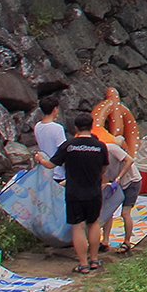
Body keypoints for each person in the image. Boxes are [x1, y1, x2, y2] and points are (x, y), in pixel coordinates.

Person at [57, 110, 112, 274]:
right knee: (93, 224)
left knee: (78, 227)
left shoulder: (68, 146)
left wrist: (40, 159)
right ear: (92, 127)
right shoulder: (100, 146)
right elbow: (104, 169)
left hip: (74, 192)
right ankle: (94, 260)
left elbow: (52, 164)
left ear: (76, 128)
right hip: (94, 192)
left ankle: (82, 264)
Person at [105, 127, 142, 251]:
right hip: (117, 184)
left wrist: (119, 177)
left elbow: (129, 160)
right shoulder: (98, 158)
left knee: (125, 213)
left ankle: (127, 242)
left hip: (132, 181)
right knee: (108, 211)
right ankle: (105, 241)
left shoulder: (112, 149)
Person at [31, 97, 66, 172]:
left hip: (44, 169)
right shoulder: (58, 128)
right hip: (57, 171)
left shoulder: (37, 126)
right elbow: (63, 151)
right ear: (54, 109)